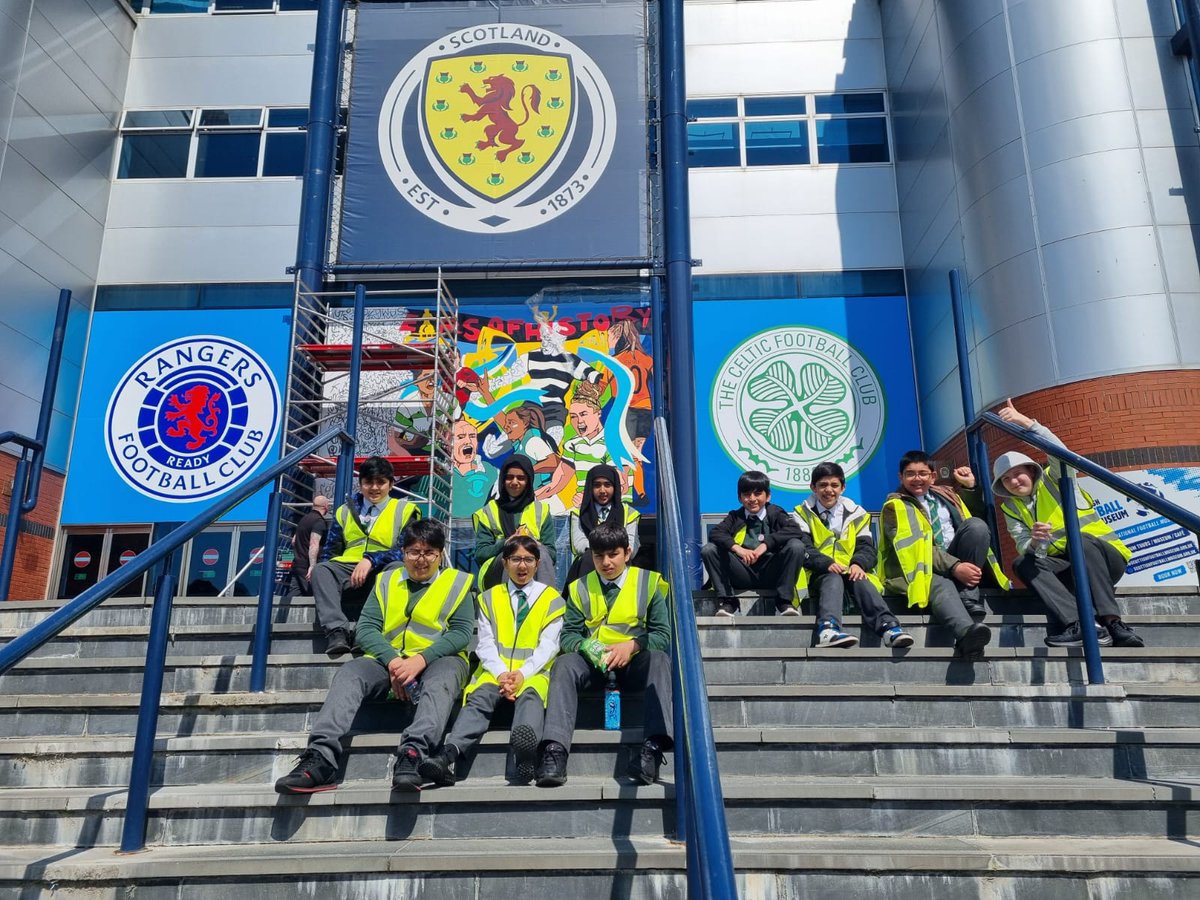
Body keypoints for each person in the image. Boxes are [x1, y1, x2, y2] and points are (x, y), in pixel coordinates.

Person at [274, 519, 475, 794]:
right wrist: (394, 662)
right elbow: (366, 629)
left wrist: (419, 661)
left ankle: (413, 755)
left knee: (444, 678)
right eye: (414, 552)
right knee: (350, 672)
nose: (421, 559)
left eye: (430, 553)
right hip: (387, 661)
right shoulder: (385, 580)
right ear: (403, 553)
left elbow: (462, 633)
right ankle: (321, 759)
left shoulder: (458, 582)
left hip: (438, 659)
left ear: (440, 554)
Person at [992, 400, 1143, 648]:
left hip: (1105, 560)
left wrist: (1026, 423)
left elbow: (1060, 452)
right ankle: (1083, 625)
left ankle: (1113, 622)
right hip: (1068, 569)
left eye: (1017, 473)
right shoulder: (1011, 508)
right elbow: (1024, 547)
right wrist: (1035, 543)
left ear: (1031, 471)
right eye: (1006, 479)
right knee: (1022, 562)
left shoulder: (1057, 480)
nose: (1014, 481)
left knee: (1080, 541)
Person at [419, 535, 565, 787]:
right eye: (516, 559)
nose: (522, 566)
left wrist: (521, 674)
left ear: (538, 563)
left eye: (529, 560)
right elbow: (485, 644)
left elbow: (549, 646)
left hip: (533, 673)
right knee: (478, 699)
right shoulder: (488, 598)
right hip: (494, 672)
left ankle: (525, 755)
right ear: (505, 563)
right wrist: (501, 674)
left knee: (531, 698)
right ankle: (448, 755)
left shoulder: (552, 599)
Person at [536, 522, 673, 787]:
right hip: (595, 665)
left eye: (613, 554)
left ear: (627, 552)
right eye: (599, 556)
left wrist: (632, 646)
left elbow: (662, 635)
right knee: (564, 663)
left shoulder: (649, 582)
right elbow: (568, 636)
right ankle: (555, 750)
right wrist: (589, 648)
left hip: (634, 663)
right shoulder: (578, 587)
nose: (606, 562)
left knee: (660, 659)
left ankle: (653, 749)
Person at [878, 451, 1011, 659]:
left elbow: (976, 516)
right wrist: (955, 567)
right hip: (919, 569)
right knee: (941, 584)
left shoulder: (948, 495)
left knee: (976, 526)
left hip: (955, 558)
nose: (917, 479)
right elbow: (916, 549)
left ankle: (967, 598)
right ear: (900, 477)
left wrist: (969, 487)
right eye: (910, 474)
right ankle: (967, 634)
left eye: (923, 473)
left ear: (933, 476)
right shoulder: (894, 507)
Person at [793, 462, 915, 650]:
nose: (829, 490)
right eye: (823, 485)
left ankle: (890, 628)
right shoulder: (801, 514)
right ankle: (828, 630)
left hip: (850, 570)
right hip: (818, 571)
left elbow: (867, 548)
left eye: (834, 485)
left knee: (861, 579)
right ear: (813, 488)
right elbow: (805, 547)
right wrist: (826, 563)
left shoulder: (857, 513)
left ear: (843, 487)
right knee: (832, 578)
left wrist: (858, 564)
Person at [312, 457, 420, 658]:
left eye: (381, 482)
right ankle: (337, 631)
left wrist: (371, 559)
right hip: (347, 569)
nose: (374, 488)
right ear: (360, 484)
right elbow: (330, 551)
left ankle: (366, 631)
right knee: (322, 569)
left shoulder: (405, 510)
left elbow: (408, 550)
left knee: (398, 568)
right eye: (368, 482)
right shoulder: (343, 511)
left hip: (382, 568)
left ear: (391, 484)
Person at [700, 470, 807, 618]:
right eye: (747, 494)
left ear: (768, 496)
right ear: (740, 498)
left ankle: (783, 602)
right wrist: (739, 549)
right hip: (743, 572)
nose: (752, 499)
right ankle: (729, 602)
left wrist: (765, 545)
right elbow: (716, 533)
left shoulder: (776, 513)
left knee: (796, 546)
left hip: (771, 571)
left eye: (757, 494)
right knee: (709, 549)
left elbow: (795, 530)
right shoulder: (735, 516)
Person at [473, 455, 556, 590]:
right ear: (502, 480)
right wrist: (507, 543)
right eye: (509, 477)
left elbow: (552, 554)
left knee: (540, 551)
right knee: (513, 552)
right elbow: (481, 553)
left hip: (534, 569)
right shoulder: (490, 510)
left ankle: (547, 604)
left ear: (529, 481)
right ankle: (507, 603)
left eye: (521, 478)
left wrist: (534, 543)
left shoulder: (542, 510)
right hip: (497, 571)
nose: (514, 482)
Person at [567, 464, 641, 585]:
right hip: (588, 565)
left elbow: (632, 547)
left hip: (619, 567)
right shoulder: (578, 513)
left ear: (615, 486)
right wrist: (601, 552)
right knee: (587, 558)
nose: (602, 490)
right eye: (597, 485)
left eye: (607, 485)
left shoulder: (629, 513)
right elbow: (578, 544)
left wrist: (610, 553)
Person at [288, 494, 330, 598]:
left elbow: (294, 541)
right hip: (307, 566)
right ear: (326, 507)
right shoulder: (319, 522)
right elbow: (314, 544)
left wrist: (300, 551)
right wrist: (312, 566)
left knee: (293, 596)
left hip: (297, 563)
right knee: (316, 596)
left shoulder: (304, 520)